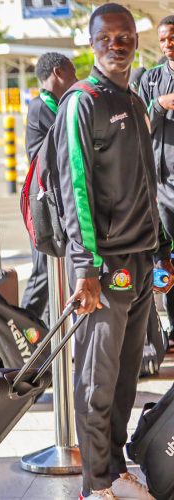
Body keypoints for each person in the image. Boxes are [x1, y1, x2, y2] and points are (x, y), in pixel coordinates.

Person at [55, 6, 170, 499]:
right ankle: (96, 482)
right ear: (92, 42)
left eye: (125, 36)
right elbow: (75, 190)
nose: (118, 43)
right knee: (97, 379)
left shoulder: (133, 98)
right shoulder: (83, 102)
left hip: (143, 258)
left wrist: (162, 248)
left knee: (126, 375)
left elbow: (146, 182)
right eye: (108, 36)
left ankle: (115, 466)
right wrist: (85, 266)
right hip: (107, 266)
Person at [22, 52, 77, 324]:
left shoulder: (54, 103)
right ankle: (23, 330)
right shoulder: (42, 106)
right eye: (72, 73)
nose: (76, 79)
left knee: (54, 270)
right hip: (45, 202)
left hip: (55, 199)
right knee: (43, 271)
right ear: (57, 72)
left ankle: (42, 327)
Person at [138, 15, 174, 348]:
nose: (168, 45)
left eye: (172, 38)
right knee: (167, 261)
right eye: (163, 40)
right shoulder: (152, 79)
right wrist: (160, 105)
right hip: (162, 187)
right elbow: (139, 122)